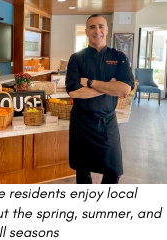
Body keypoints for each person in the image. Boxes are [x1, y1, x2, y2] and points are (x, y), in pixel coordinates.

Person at [65, 14, 134, 184]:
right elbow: (74, 91)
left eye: (101, 26)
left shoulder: (119, 57)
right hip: (81, 122)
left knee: (113, 171)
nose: (97, 31)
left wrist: (90, 82)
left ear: (107, 29)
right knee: (82, 171)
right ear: (87, 32)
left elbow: (125, 88)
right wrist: (109, 87)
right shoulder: (76, 58)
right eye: (92, 27)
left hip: (107, 121)